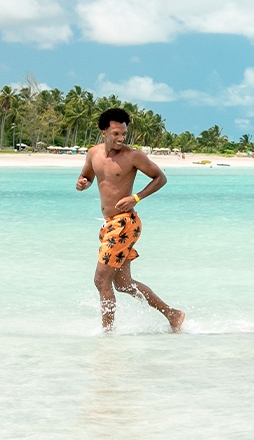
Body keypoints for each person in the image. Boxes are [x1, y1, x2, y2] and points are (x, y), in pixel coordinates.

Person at [77, 107, 185, 333]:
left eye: (124, 133)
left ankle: (107, 335)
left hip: (124, 224)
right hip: (109, 224)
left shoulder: (132, 156)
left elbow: (160, 178)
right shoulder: (93, 153)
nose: (121, 138)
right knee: (124, 284)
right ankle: (172, 314)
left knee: (101, 280)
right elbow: (87, 175)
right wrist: (83, 183)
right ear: (104, 132)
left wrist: (136, 197)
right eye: (116, 133)